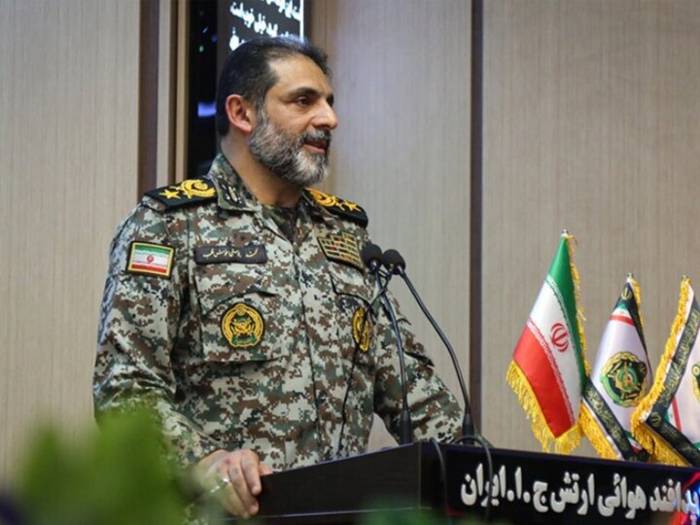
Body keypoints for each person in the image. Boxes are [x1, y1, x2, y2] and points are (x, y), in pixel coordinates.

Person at [94, 36, 462, 518]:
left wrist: (479, 471)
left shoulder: (346, 235)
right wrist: (205, 461)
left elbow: (409, 387)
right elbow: (124, 387)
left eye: (329, 102)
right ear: (242, 113)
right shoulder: (169, 226)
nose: (329, 119)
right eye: (304, 101)